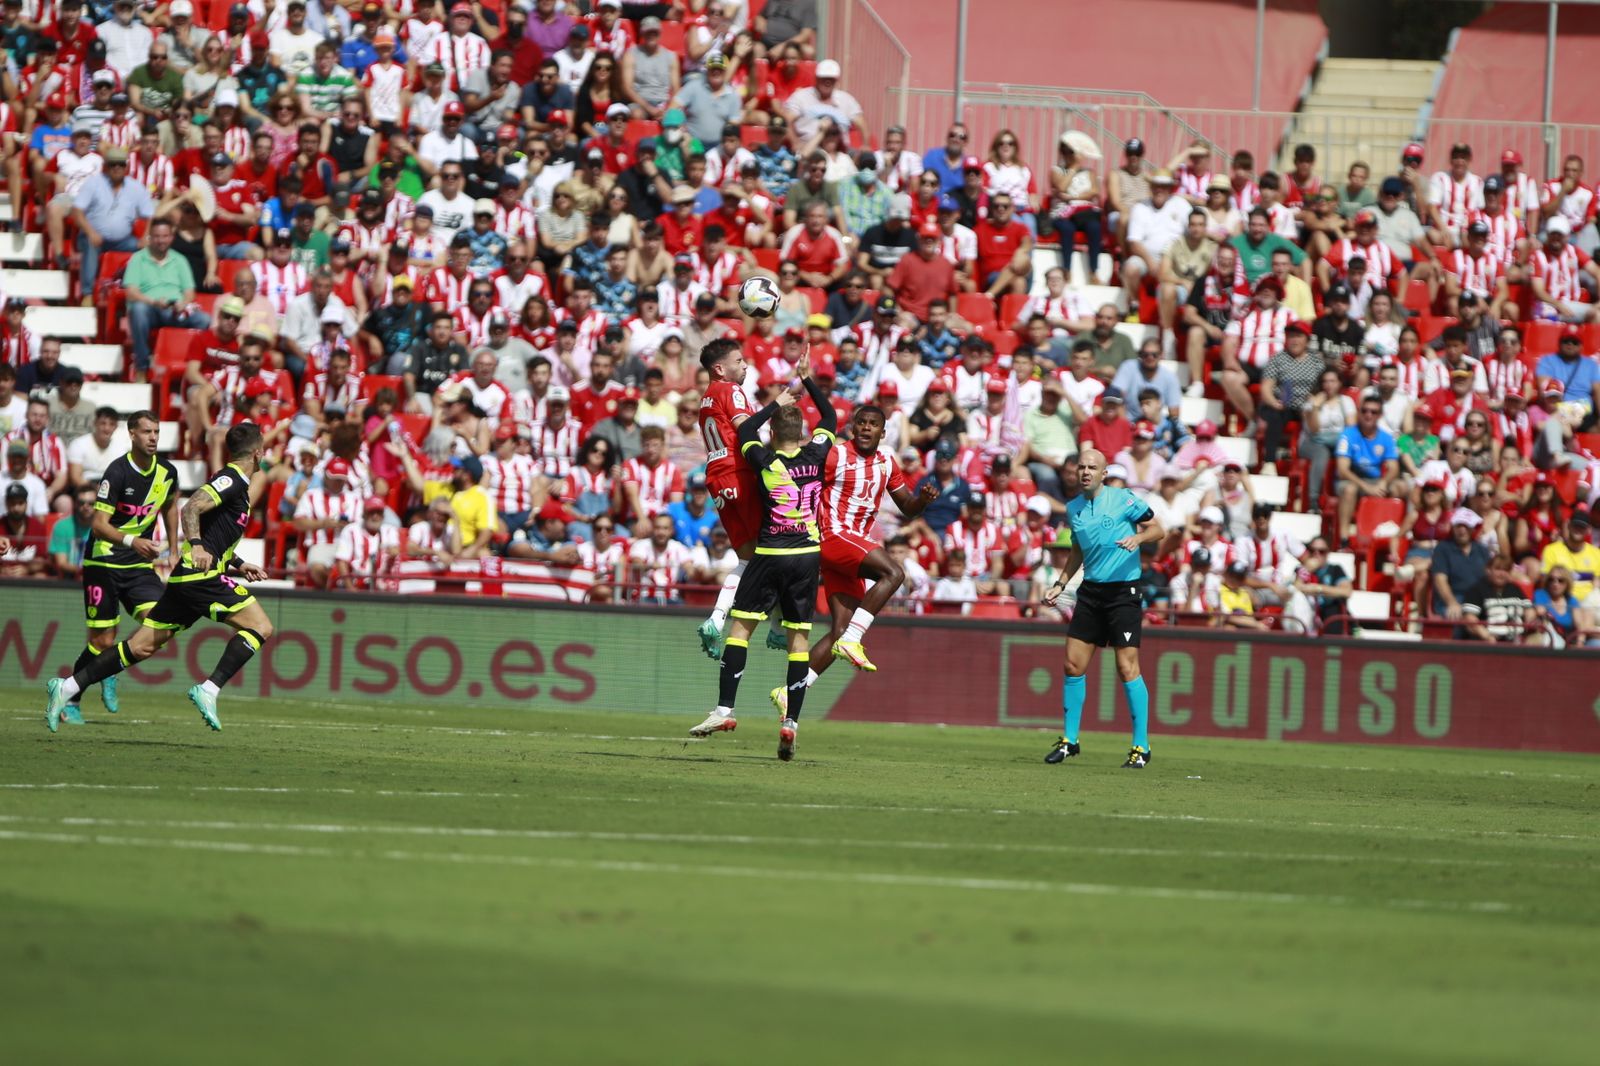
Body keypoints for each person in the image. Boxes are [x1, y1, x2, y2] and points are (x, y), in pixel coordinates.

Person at [45, 423, 275, 733]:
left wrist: (239, 562)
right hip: (201, 577)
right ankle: (210, 689)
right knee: (260, 626)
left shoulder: (237, 485)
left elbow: (215, 533)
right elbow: (191, 507)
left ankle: (68, 687)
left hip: (188, 580)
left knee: (140, 647)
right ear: (258, 452)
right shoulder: (231, 478)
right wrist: (194, 546)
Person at [688, 357, 836, 761]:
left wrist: (776, 401)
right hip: (808, 556)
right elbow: (831, 414)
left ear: (773, 432)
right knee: (798, 642)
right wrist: (806, 380)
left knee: (739, 631)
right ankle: (790, 723)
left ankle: (724, 710)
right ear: (806, 433)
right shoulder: (818, 454)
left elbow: (747, 429)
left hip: (770, 553)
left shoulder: (765, 460)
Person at [772, 403, 938, 714]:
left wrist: (923, 502)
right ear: (852, 427)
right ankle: (855, 638)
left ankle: (791, 692)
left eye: (873, 424)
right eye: (861, 422)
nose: (865, 428)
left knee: (838, 631)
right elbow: (802, 478)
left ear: (883, 432)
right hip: (834, 536)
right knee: (894, 573)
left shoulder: (888, 460)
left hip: (852, 547)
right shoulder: (835, 454)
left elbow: (907, 507)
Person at [1041, 448, 1163, 768]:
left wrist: (1139, 540)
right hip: (1091, 591)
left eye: (1092, 467)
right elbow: (1077, 551)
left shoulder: (1123, 499)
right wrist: (1061, 584)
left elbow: (1158, 529)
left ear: (1104, 473)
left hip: (1124, 591)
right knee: (1072, 665)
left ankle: (1141, 747)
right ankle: (1070, 741)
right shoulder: (1074, 508)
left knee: (1127, 668)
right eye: (1081, 467)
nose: (1085, 472)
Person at [56, 410, 180, 722]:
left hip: (138, 567)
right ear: (132, 434)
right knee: (101, 642)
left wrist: (176, 550)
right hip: (104, 563)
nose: (152, 438)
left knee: (161, 624)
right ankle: (72, 700)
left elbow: (171, 506)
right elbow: (98, 525)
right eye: (146, 432)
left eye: (156, 432)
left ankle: (113, 665)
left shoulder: (167, 472)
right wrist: (132, 541)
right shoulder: (117, 472)